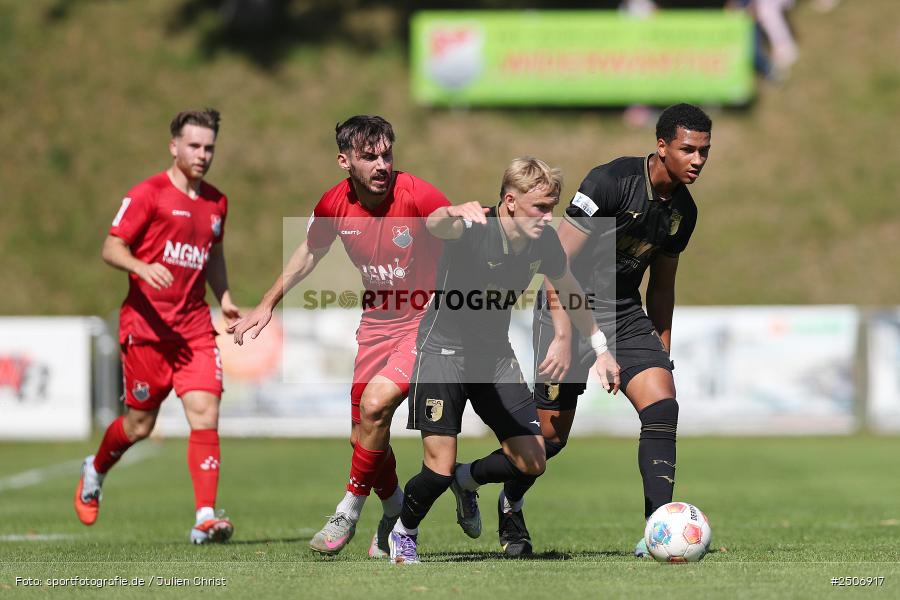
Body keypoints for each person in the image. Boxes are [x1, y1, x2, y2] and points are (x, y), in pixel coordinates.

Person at [478, 103, 711, 558]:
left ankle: (657, 531)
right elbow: (556, 265)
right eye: (688, 149)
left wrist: (660, 350)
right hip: (568, 307)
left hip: (624, 313)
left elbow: (662, 285)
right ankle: (496, 493)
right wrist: (564, 336)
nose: (698, 160)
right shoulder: (611, 183)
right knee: (549, 441)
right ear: (661, 147)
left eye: (704, 151)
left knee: (663, 406)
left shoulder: (684, 212)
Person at [228, 115, 450, 557]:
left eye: (387, 154)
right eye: (369, 157)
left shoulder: (417, 194)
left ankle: (346, 511)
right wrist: (269, 301)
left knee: (374, 406)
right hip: (375, 326)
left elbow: (449, 223)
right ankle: (394, 512)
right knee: (363, 435)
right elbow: (310, 250)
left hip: (424, 323)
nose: (382, 164)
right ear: (344, 161)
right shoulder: (333, 204)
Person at [387, 157, 620, 564]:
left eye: (553, 207)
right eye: (541, 207)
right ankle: (404, 533)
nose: (549, 217)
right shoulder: (474, 227)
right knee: (436, 469)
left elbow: (569, 289)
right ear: (510, 201)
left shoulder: (543, 242)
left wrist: (600, 348)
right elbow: (436, 225)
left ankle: (467, 479)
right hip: (443, 354)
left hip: (494, 359)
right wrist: (450, 211)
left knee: (534, 459)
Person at [74, 108, 241, 544]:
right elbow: (112, 247)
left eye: (209, 147)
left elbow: (214, 257)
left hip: (194, 330)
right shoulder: (149, 194)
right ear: (174, 146)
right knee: (139, 426)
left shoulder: (217, 202)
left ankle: (205, 517)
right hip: (146, 330)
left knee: (206, 413)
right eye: (194, 146)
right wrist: (141, 267)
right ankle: (95, 468)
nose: (203, 155)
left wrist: (223, 299)